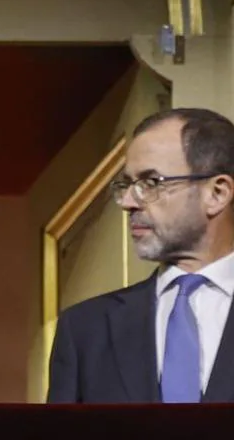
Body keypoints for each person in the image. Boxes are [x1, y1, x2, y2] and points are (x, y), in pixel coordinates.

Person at [47, 108, 234, 404]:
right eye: (126, 185)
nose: (128, 202)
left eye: (150, 183)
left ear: (217, 193)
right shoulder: (84, 330)